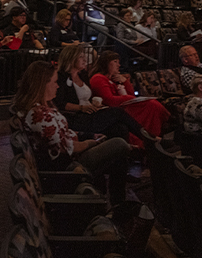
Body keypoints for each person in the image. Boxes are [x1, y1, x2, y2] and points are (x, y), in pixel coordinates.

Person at [14, 61, 129, 202]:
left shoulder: (41, 109)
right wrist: (90, 143)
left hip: (69, 157)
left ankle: (115, 201)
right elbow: (64, 148)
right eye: (55, 82)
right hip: (67, 166)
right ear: (42, 84)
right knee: (120, 144)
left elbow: (63, 134)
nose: (57, 86)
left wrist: (89, 136)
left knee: (118, 139)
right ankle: (118, 202)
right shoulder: (39, 115)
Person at [53, 44, 149, 146]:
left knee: (120, 128)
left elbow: (87, 98)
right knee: (118, 112)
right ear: (71, 58)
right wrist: (81, 108)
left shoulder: (82, 75)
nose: (84, 59)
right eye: (81, 57)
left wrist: (95, 104)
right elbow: (60, 104)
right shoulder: (61, 78)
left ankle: (126, 156)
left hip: (90, 113)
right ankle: (148, 138)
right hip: (76, 117)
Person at [89, 50, 169, 145]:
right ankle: (150, 139)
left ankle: (155, 136)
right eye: (115, 62)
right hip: (114, 108)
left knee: (152, 104)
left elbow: (131, 94)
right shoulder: (98, 78)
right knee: (152, 105)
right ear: (106, 63)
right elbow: (109, 100)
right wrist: (129, 98)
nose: (118, 65)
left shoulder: (114, 79)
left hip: (123, 106)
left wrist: (125, 81)